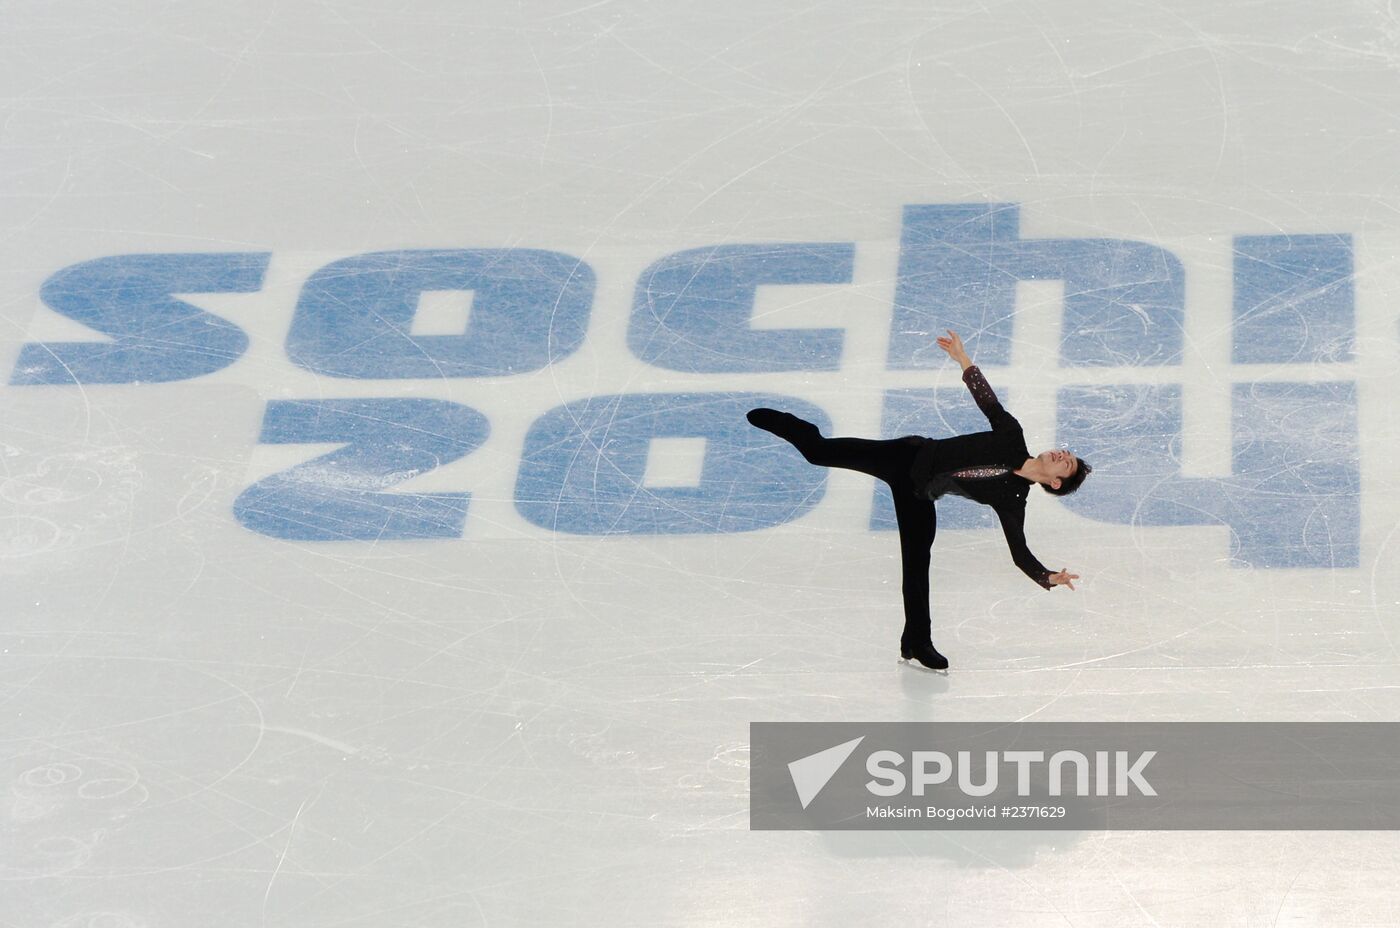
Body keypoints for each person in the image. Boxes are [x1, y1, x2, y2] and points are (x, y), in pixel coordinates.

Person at [746, 331, 1089, 671]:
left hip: (919, 494)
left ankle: (916, 642)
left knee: (916, 562)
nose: (1062, 453)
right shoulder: (1012, 435)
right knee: (817, 453)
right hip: (904, 457)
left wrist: (1047, 577)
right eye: (1065, 452)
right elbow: (987, 400)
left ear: (1056, 483)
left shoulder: (1013, 498)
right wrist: (962, 358)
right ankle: (800, 429)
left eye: (1066, 461)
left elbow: (1020, 552)